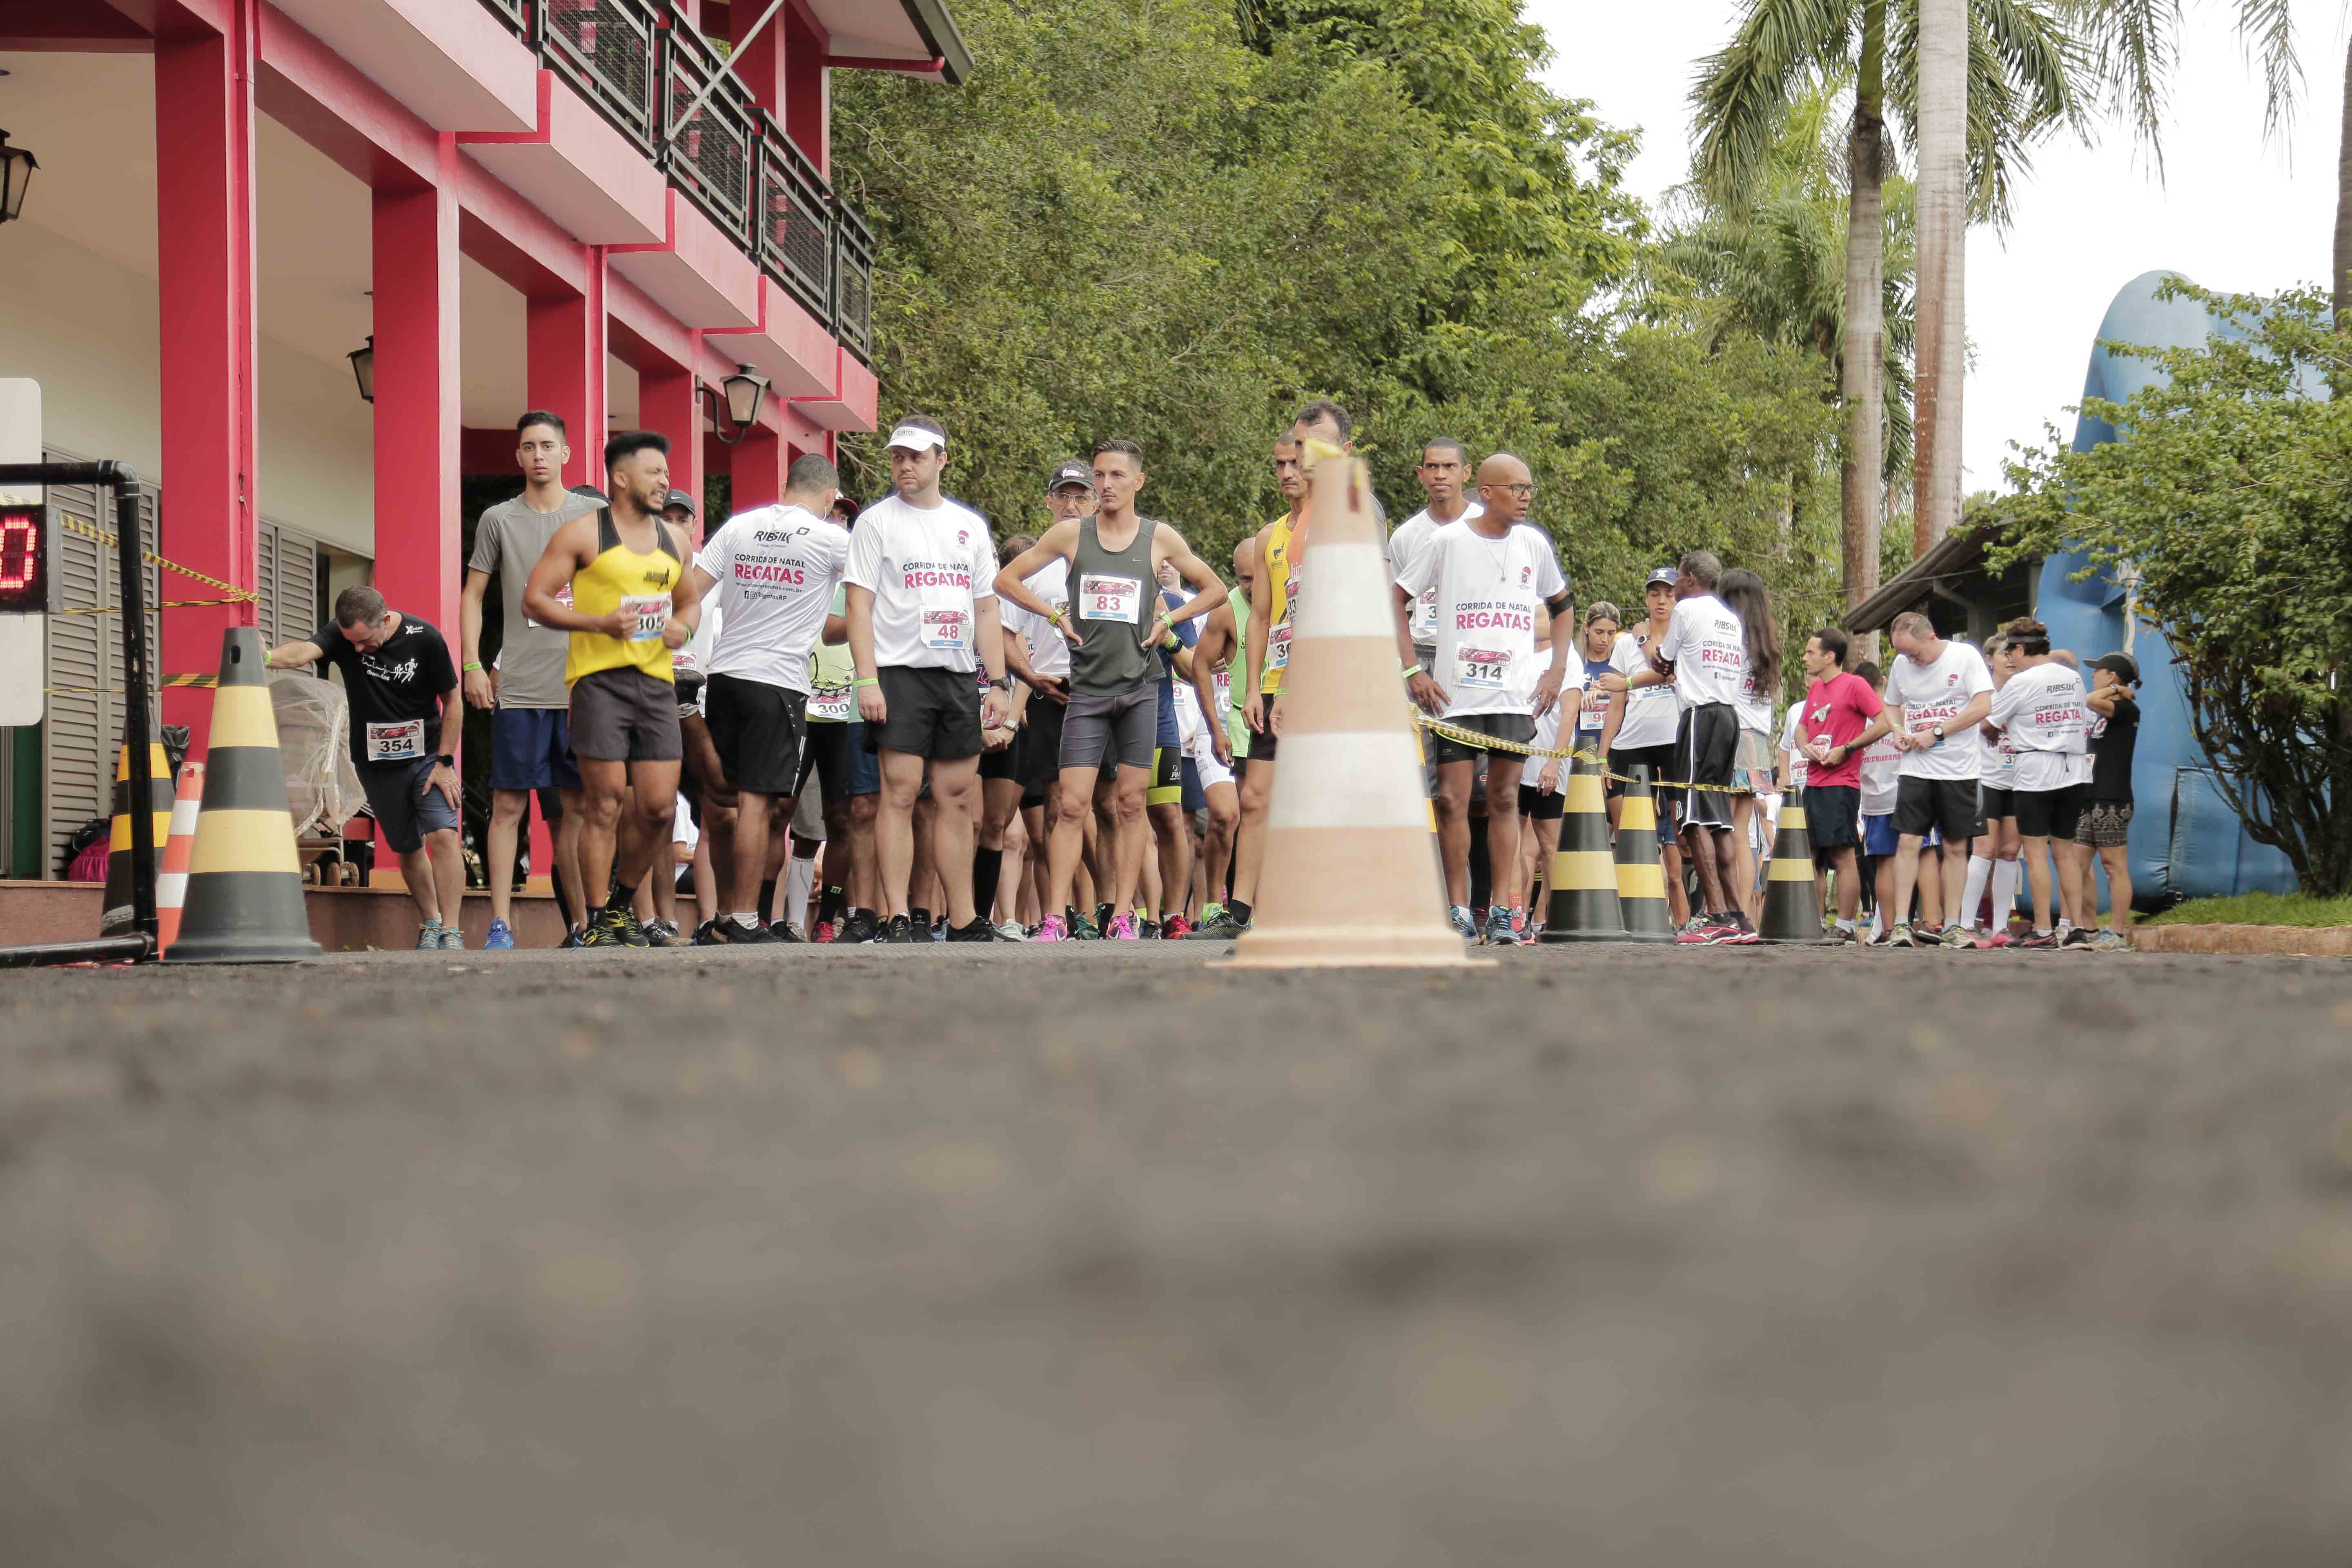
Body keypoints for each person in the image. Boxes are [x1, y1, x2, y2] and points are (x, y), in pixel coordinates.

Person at [993, 440, 1227, 941]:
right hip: (1088, 692)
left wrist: (1169, 618)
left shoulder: (1158, 537)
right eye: (1100, 476)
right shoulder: (1071, 534)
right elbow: (1006, 580)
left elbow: (1214, 589)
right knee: (1072, 806)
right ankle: (1054, 917)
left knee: (1129, 805)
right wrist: (1054, 615)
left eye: (1117, 476)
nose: (1106, 485)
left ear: (1138, 482)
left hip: (1142, 690)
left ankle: (1124, 914)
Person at [521, 430, 702, 948]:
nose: (664, 482)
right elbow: (534, 601)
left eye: (666, 474)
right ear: (621, 478)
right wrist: (599, 624)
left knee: (659, 808)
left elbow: (688, 602)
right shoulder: (584, 534)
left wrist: (683, 629)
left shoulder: (675, 541)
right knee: (603, 804)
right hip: (598, 683)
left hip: (656, 685)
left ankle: (622, 905)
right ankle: (598, 918)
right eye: (654, 473)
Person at [1188, 401, 1360, 940]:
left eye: (1296, 461)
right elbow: (1261, 617)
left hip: (1329, 682)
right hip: (1275, 684)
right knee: (1255, 798)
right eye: (1279, 465)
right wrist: (1257, 687)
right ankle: (1239, 911)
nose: (1288, 473)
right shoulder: (1269, 537)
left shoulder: (1344, 521)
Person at [845, 416, 1013, 942]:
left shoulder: (968, 526)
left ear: (941, 460)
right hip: (899, 672)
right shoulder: (876, 522)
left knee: (957, 796)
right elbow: (858, 603)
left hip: (958, 674)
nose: (905, 466)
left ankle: (962, 918)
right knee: (898, 793)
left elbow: (986, 610)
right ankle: (897, 915)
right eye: (898, 456)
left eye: (916, 457)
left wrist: (999, 683)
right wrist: (866, 679)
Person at [1396, 452, 1573, 944]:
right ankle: (1457, 909)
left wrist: (1556, 669)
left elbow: (1562, 606)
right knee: (1451, 800)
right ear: (1488, 493)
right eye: (1517, 488)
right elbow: (1396, 598)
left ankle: (1501, 909)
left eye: (1530, 489)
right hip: (1457, 698)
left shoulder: (1533, 544)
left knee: (1502, 799)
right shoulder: (1447, 541)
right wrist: (1413, 670)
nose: (1526, 498)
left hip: (1513, 697)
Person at [681, 452, 850, 944]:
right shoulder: (831, 537)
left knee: (722, 804)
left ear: (786, 486)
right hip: (777, 683)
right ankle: (743, 918)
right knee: (756, 803)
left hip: (726, 676)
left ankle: (721, 917)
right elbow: (874, 586)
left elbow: (692, 592)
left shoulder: (739, 527)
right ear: (829, 498)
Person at [459, 412, 605, 949]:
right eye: (528, 447)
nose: (539, 455)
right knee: (508, 807)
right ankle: (501, 923)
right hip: (518, 687)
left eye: (548, 445)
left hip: (582, 688)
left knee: (579, 810)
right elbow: (473, 595)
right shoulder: (498, 519)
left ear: (566, 453)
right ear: (518, 457)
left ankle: (587, 922)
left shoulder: (595, 514)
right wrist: (472, 664)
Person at [266, 586, 464, 948]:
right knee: (407, 846)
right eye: (350, 643)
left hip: (428, 757)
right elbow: (303, 652)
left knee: (443, 835)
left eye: (365, 641)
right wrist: (263, 657)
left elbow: (453, 702)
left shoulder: (426, 639)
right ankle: (431, 923)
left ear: (385, 620)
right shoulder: (343, 637)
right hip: (377, 763)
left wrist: (445, 762)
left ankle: (452, 930)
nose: (357, 650)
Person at [1614, 551, 1753, 944]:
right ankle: (1739, 918)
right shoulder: (1730, 618)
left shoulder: (1687, 612)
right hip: (1729, 718)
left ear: (1689, 578)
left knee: (1691, 819)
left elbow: (1663, 662)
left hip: (1701, 716)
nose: (1672, 589)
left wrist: (1642, 642)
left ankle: (1717, 916)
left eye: (1676, 580)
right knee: (1719, 818)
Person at [1875, 610, 1994, 947]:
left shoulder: (1965, 656)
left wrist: (1938, 732)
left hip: (1959, 770)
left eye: (1914, 652)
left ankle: (1954, 925)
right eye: (1903, 654)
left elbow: (1983, 705)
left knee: (1956, 847)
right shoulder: (1902, 665)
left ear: (1931, 637)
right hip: (1915, 769)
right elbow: (1892, 705)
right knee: (1908, 843)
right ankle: (1901, 924)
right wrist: (1899, 729)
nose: (1911, 660)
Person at [1984, 618, 2091, 948]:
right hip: (2075, 771)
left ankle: (2044, 929)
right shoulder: (2073, 677)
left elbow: (1990, 725)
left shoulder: (2020, 682)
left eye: (2010, 651)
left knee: (2035, 854)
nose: (2009, 659)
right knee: (2066, 852)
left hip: (2035, 771)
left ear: (2020, 649)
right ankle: (2076, 929)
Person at [1596, 568, 1690, 928]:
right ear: (1647, 597)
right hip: (1631, 743)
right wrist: (1603, 755)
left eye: (1669, 593)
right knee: (1631, 835)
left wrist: (1641, 641)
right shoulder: (1624, 643)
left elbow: (1667, 672)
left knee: (1681, 838)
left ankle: (1690, 921)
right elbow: (1617, 701)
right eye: (1655, 594)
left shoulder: (1684, 635)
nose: (1662, 600)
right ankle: (1633, 914)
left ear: (1678, 598)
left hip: (1674, 741)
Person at [1793, 627, 1880, 943]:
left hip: (1842, 783)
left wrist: (1848, 748)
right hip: (1813, 781)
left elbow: (1884, 723)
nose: (1805, 657)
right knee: (1812, 855)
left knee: (1843, 854)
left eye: (1811, 652)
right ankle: (1816, 922)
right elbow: (1801, 730)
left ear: (1830, 656)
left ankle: (1844, 924)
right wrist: (1806, 748)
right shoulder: (1816, 689)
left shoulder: (1855, 685)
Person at [1183, 536, 1252, 925]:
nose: (1253, 588)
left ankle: (1250, 907)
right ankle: (1213, 903)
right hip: (1221, 730)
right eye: (1244, 579)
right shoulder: (1225, 609)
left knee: (1257, 819)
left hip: (1263, 730)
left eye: (1259, 578)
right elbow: (1198, 667)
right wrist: (1214, 726)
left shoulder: (1289, 605)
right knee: (1225, 816)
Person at [1719, 568, 1782, 923]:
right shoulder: (1765, 645)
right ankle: (1741, 913)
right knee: (1741, 832)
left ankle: (1728, 912)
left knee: (1724, 829)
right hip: (1758, 740)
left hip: (1731, 737)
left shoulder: (1729, 640)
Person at [1964, 633, 2023, 945]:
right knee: (1984, 850)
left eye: (2015, 654)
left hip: (2019, 781)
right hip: (1986, 779)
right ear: (1989, 660)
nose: (2011, 660)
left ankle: (1999, 927)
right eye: (2004, 654)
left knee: (2010, 851)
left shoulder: (2026, 689)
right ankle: (1963, 924)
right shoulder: (1981, 694)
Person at [2079, 652, 2140, 950]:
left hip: (2113, 798)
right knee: (2076, 863)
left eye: (2098, 671)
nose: (2093, 675)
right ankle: (2088, 928)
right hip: (2089, 794)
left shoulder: (2127, 709)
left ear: (2112, 676)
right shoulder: (2106, 710)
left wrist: (2118, 691)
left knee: (2113, 865)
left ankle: (2116, 932)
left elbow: (2089, 698)